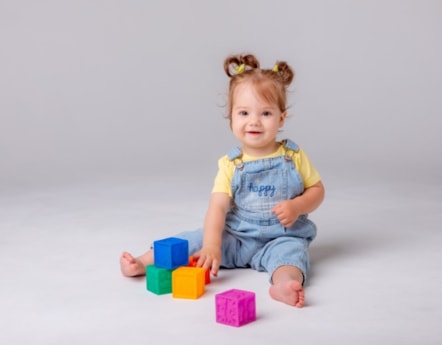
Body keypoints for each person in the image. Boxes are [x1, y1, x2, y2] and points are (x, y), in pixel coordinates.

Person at [120, 53, 325, 308]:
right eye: (244, 112)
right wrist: (212, 245)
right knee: (194, 240)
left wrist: (298, 206)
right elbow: (217, 207)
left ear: (281, 118)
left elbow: (317, 190)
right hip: (237, 236)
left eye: (265, 113)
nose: (254, 121)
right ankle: (142, 261)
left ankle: (283, 284)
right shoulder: (230, 164)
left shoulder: (293, 155)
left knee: (291, 256)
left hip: (281, 236)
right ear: (231, 117)